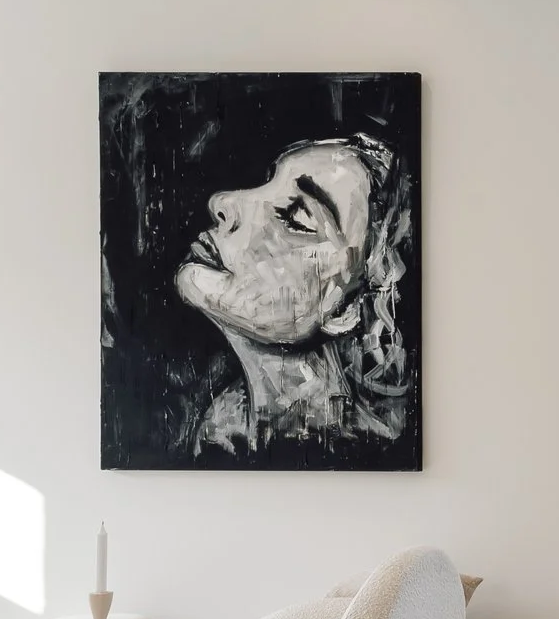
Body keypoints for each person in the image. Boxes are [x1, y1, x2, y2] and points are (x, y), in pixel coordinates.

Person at [174, 134, 414, 455]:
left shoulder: (354, 455)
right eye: (266, 184)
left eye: (296, 217)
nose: (224, 202)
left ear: (349, 308)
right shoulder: (220, 430)